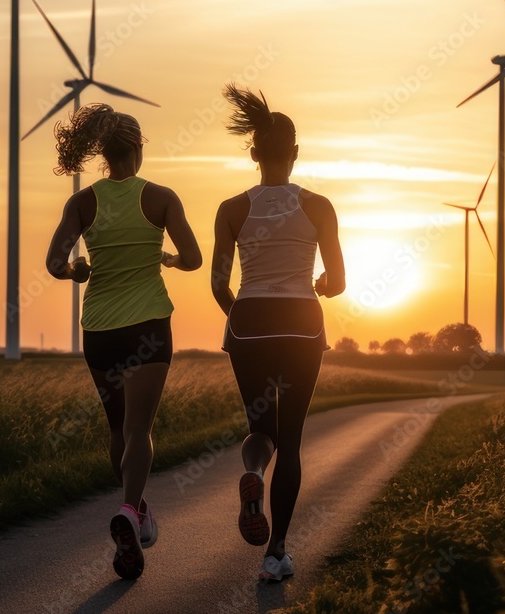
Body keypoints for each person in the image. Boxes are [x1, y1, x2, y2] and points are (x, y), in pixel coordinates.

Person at [46, 104, 202, 580]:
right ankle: (131, 512)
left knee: (118, 429)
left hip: (99, 330)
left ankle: (136, 511)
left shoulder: (82, 203)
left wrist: (76, 270)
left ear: (102, 151)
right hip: (147, 326)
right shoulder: (161, 198)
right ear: (138, 148)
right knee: (139, 431)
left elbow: (54, 263)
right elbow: (195, 258)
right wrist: (169, 260)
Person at [211, 85, 345, 582]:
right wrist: (321, 286)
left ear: (253, 154)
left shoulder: (231, 208)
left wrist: (242, 316)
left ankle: (252, 473)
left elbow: (218, 283)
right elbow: (338, 281)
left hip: (249, 321)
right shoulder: (319, 206)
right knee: (291, 440)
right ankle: (276, 554)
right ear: (295, 153)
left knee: (261, 428)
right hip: (301, 324)